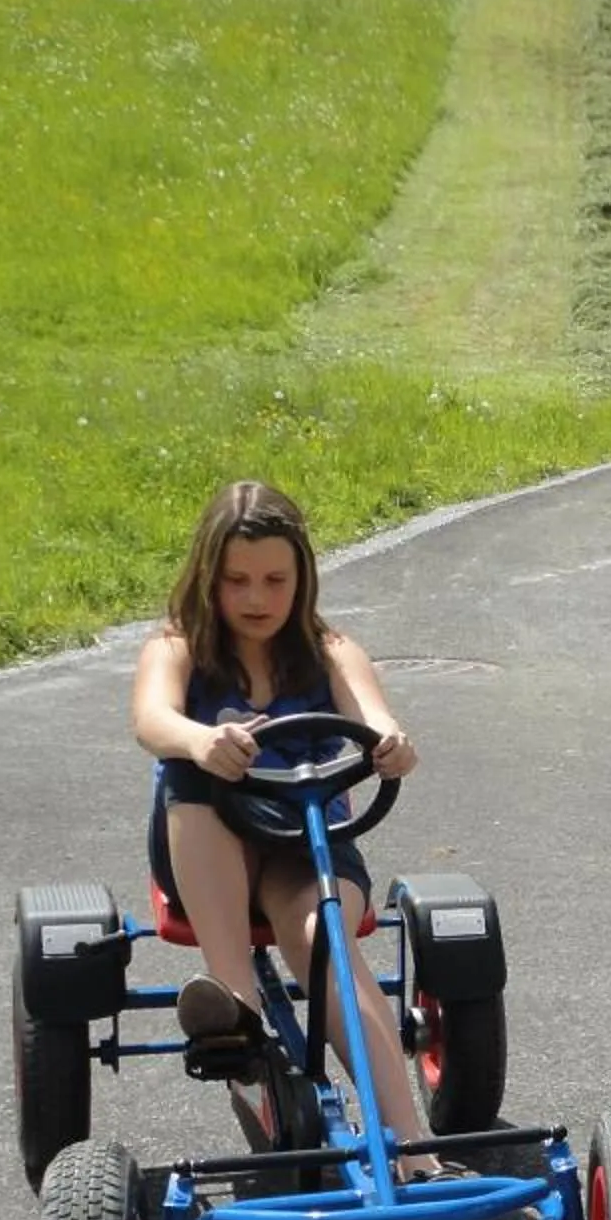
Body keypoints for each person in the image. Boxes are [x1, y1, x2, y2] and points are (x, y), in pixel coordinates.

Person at [131, 478, 435, 1176]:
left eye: (275, 579)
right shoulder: (178, 647)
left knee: (322, 945)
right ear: (208, 577)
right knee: (189, 771)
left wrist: (390, 742)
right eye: (236, 580)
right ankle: (235, 1007)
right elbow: (152, 718)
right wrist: (199, 739)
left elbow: (374, 715)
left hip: (310, 844)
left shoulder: (329, 650)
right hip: (212, 845)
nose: (256, 598)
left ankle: (411, 1145)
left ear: (302, 579)